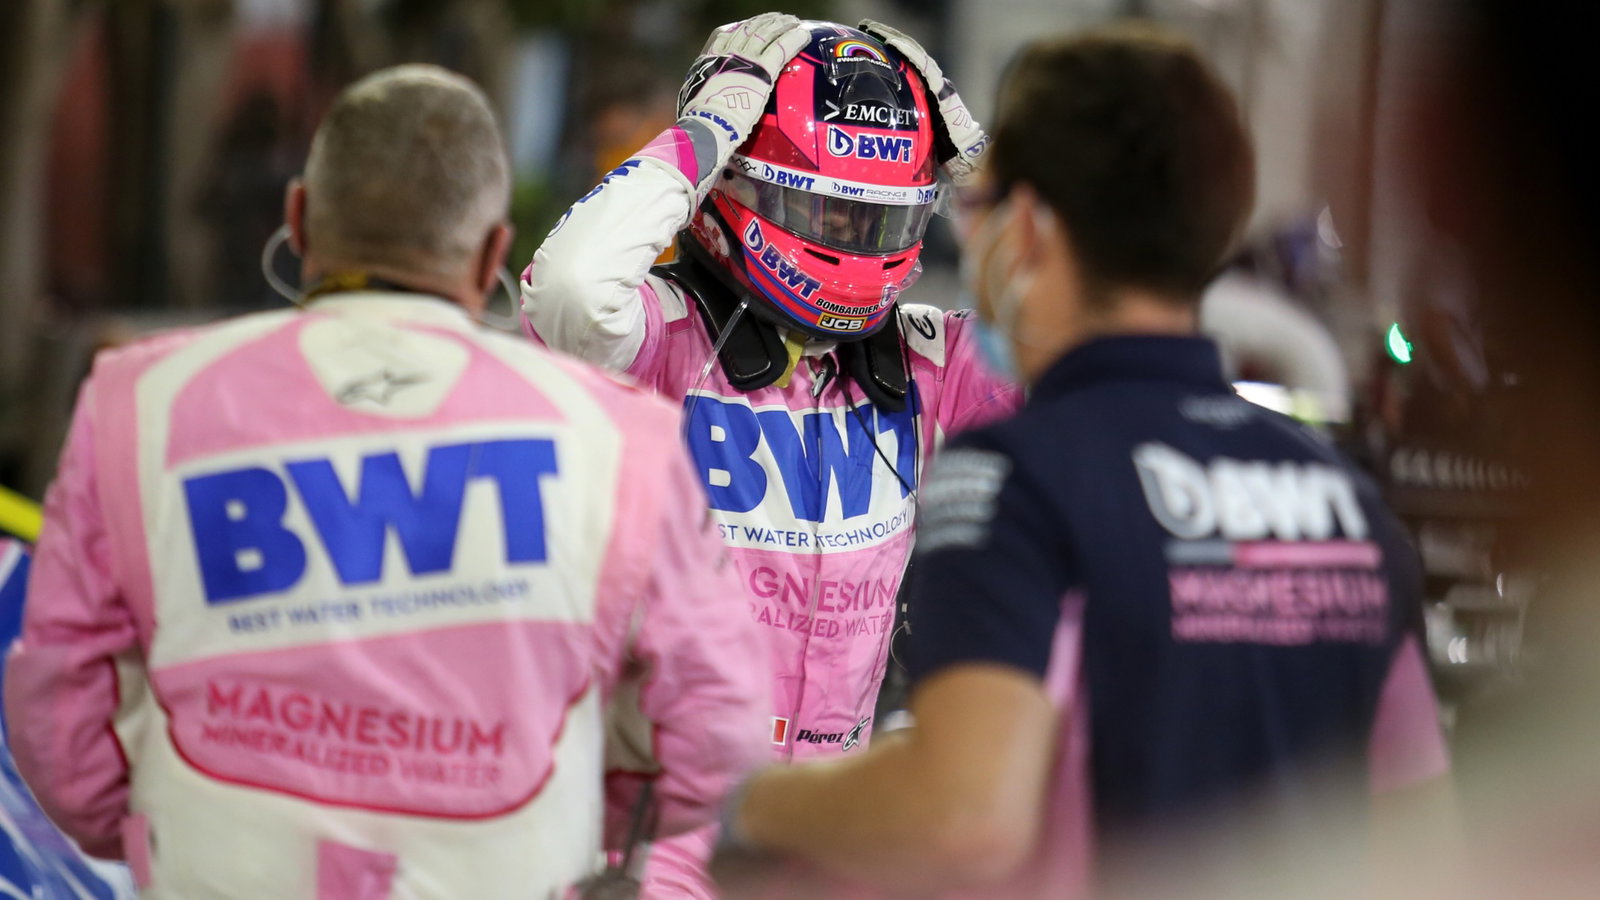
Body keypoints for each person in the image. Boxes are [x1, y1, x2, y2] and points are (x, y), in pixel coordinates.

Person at [716, 25, 1451, 898]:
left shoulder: (1012, 483)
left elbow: (961, 816)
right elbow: (1429, 841)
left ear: (1025, 226)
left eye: (980, 205)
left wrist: (748, 810)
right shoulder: (1349, 505)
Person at [3, 64, 769, 899]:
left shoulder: (134, 404)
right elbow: (715, 732)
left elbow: (59, 722)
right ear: (490, 255)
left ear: (297, 221)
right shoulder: (626, 437)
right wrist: (575, 810)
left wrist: (170, 823)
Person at [521, 12, 1019, 896]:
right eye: (823, 209)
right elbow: (569, 285)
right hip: (653, 830)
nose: (851, 237)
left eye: (878, 217)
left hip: (835, 821)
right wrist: (710, 127)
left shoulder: (930, 362)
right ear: (729, 184)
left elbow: (1090, 341)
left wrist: (994, 173)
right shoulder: (655, 340)